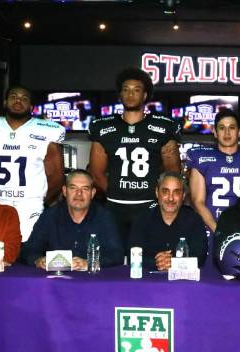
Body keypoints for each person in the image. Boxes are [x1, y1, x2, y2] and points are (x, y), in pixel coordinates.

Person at [89, 68, 182, 243]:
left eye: (136, 90)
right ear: (120, 95)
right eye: (126, 89)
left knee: (149, 258)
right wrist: (114, 193)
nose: (131, 94)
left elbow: (173, 171)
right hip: (114, 207)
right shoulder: (103, 127)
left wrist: (157, 196)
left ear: (145, 95)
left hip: (150, 205)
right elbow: (96, 172)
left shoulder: (163, 126)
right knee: (115, 259)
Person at [0, 85, 65, 241]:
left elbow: (56, 176)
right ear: (5, 102)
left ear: (31, 106)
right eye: (14, 96)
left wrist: (41, 201)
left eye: (24, 98)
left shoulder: (47, 131)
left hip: (31, 205)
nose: (18, 101)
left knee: (29, 254)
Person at [22, 170, 124, 270]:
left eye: (85, 189)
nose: (79, 193)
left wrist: (90, 263)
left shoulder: (104, 217)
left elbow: (117, 255)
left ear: (92, 193)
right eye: (73, 188)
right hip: (56, 281)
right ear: (65, 191)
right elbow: (28, 251)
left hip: (92, 281)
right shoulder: (50, 216)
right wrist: (38, 260)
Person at [187, 109, 240, 232]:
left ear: (239, 132)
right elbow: (198, 202)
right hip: (212, 227)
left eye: (231, 127)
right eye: (221, 128)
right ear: (215, 132)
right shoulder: (201, 157)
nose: (227, 132)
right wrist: (218, 230)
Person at [129, 172, 207, 271]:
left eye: (176, 192)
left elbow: (200, 258)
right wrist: (157, 263)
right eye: (165, 191)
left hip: (183, 283)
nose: (171, 198)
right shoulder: (142, 219)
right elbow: (132, 254)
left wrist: (174, 263)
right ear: (157, 193)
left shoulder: (194, 220)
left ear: (183, 195)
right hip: (148, 282)